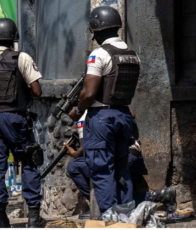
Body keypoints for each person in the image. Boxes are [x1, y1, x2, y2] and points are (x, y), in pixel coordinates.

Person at [69, 6, 140, 217]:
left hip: (102, 119)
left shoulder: (98, 54)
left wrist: (78, 110)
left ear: (97, 31)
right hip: (124, 116)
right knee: (121, 167)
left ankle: (109, 217)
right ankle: (127, 217)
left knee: (101, 170)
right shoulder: (132, 54)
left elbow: (89, 93)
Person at [0, 18, 45, 228]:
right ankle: (33, 216)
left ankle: (1, 218)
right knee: (29, 162)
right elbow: (37, 90)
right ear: (14, 37)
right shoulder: (22, 58)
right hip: (16, 118)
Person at [65, 111, 177, 219]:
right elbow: (132, 114)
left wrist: (73, 153)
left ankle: (101, 207)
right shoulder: (117, 108)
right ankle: (160, 195)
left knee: (75, 167)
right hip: (131, 156)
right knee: (119, 194)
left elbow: (82, 150)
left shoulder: (86, 117)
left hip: (118, 158)